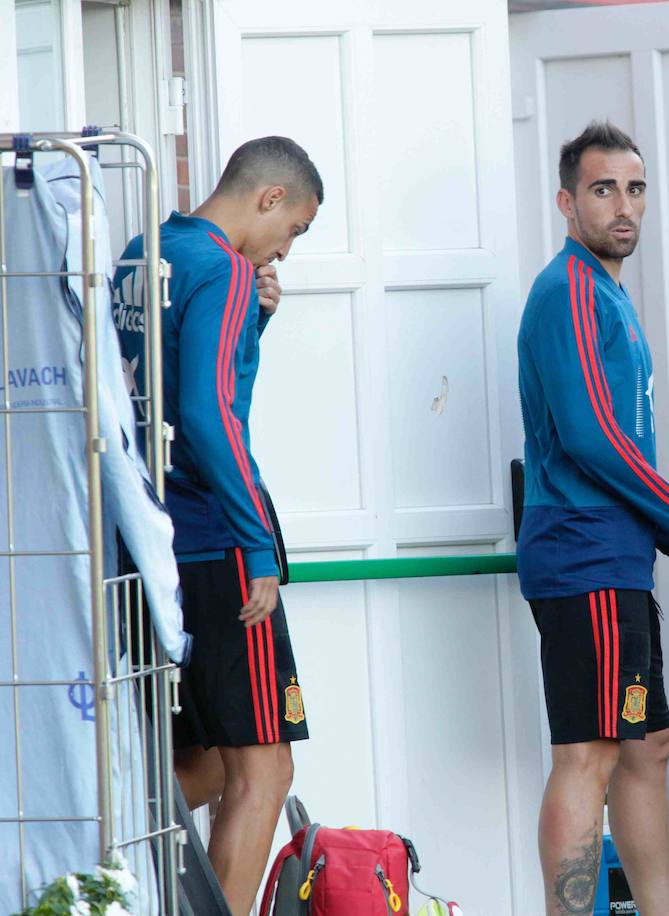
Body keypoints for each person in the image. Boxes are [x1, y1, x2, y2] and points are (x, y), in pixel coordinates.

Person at [113, 136, 322, 914]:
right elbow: (207, 413)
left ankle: (110, 866)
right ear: (269, 198)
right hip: (217, 536)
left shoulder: (145, 252)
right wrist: (256, 540)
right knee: (265, 769)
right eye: (294, 229)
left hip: (152, 535)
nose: (285, 251)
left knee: (189, 762)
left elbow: (174, 383)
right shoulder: (225, 268)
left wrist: (253, 327)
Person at [517, 121, 669, 916]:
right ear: (568, 202)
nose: (623, 206)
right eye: (604, 190)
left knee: (646, 744)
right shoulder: (566, 289)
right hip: (584, 555)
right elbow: (591, 436)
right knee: (589, 753)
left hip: (617, 559)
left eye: (635, 189)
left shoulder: (606, 290)